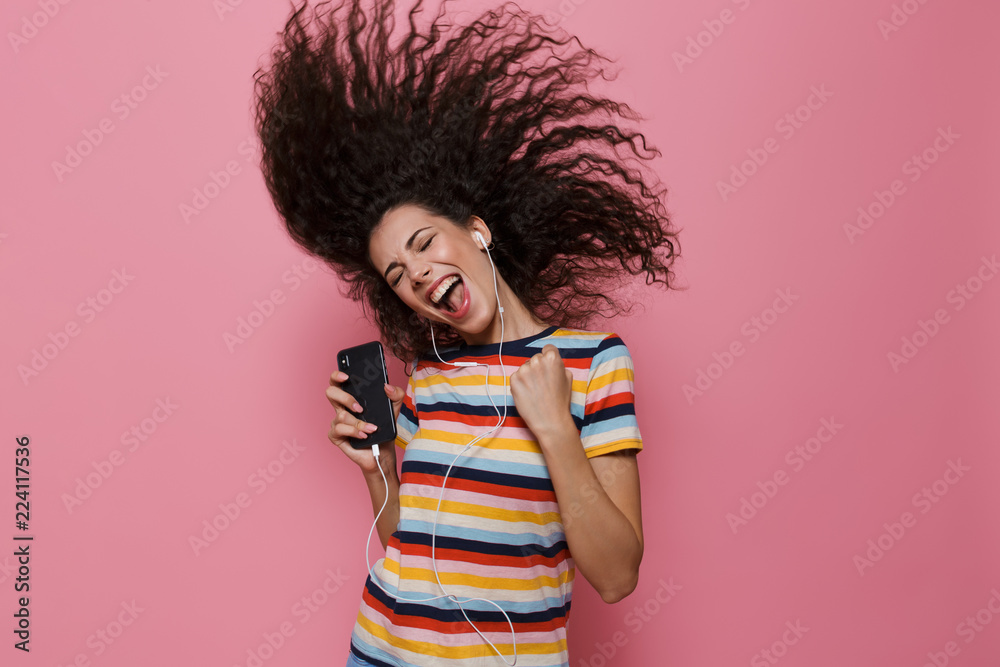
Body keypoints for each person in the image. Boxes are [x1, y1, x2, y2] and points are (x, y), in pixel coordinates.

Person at [251, 1, 683, 665]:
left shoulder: (595, 363)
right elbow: (411, 542)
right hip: (381, 649)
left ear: (476, 230)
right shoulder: (430, 376)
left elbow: (618, 574)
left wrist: (557, 430)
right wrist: (378, 469)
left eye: (425, 243)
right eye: (397, 273)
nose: (419, 273)